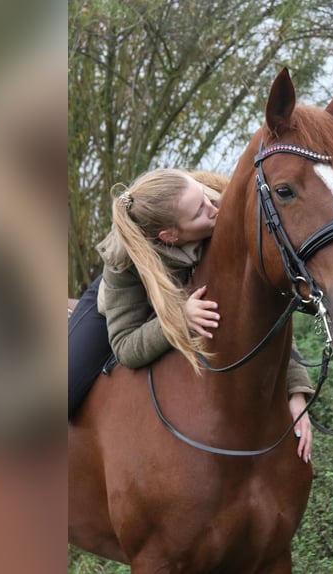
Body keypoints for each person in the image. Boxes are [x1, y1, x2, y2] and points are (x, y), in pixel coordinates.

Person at [68, 169, 314, 462]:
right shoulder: (124, 260)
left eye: (204, 198)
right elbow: (125, 347)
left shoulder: (218, 206)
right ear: (169, 236)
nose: (214, 210)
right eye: (200, 211)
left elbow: (266, 310)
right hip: (124, 305)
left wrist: (296, 390)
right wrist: (179, 319)